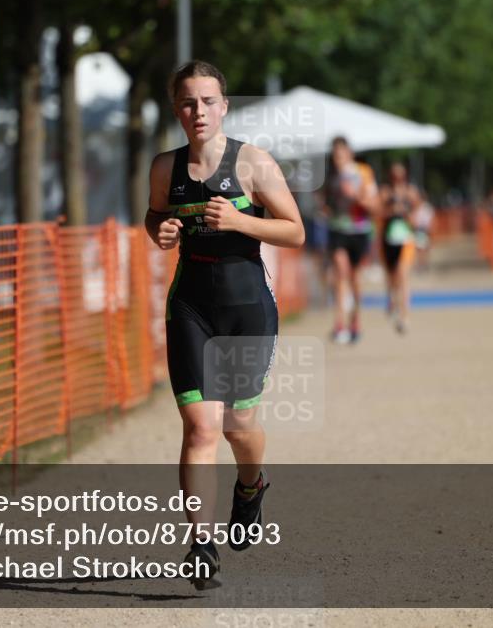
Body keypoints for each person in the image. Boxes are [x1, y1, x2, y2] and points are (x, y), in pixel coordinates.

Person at [144, 60, 305, 590]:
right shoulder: (164, 167)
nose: (199, 111)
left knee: (238, 427)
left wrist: (238, 220)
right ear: (177, 110)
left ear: (224, 106)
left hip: (247, 308)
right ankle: (201, 546)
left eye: (208, 101)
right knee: (200, 427)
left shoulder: (253, 162)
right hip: (191, 305)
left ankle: (251, 485)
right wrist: (160, 230)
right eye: (188, 102)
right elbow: (154, 215)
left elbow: (295, 231)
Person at [323, 136, 378, 344]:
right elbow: (326, 201)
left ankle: (355, 320)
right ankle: (339, 323)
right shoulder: (331, 175)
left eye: (341, 154)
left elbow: (373, 203)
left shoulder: (363, 172)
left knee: (354, 278)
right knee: (341, 271)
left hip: (359, 229)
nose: (338, 158)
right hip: (338, 229)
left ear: (349, 153)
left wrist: (355, 196)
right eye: (335, 155)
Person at [379, 163, 417, 333]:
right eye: (394, 176)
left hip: (405, 239)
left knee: (403, 274)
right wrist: (391, 210)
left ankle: (405, 316)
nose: (397, 179)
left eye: (400, 176)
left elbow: (416, 213)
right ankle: (392, 301)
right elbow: (378, 211)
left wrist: (406, 213)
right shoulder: (385, 192)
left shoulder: (410, 192)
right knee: (392, 277)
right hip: (388, 238)